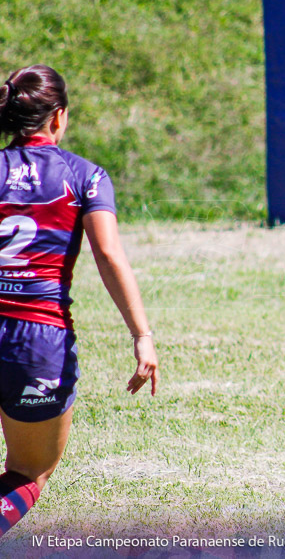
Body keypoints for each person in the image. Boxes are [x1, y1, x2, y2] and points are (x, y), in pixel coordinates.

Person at [0, 65, 158, 539]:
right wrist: (142, 336)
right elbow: (108, 254)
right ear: (59, 118)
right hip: (37, 339)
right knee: (28, 474)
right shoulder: (83, 175)